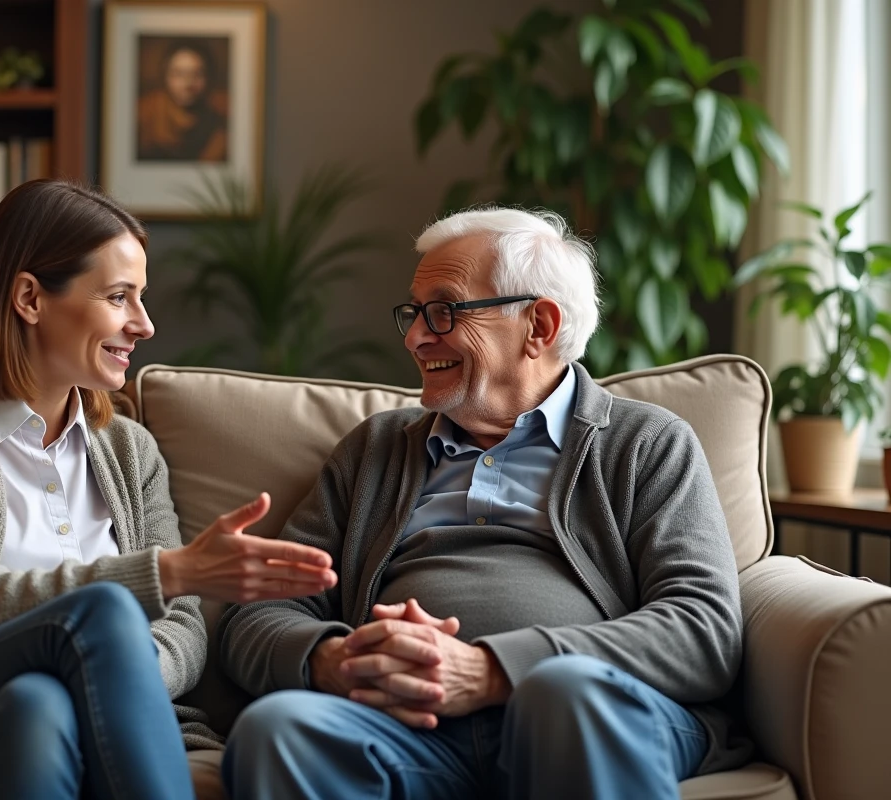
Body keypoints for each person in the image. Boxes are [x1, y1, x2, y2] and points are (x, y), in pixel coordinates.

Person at [0, 179, 337, 800]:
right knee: (102, 613)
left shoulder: (130, 450)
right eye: (119, 297)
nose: (144, 325)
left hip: (46, 707)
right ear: (29, 298)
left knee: (35, 707)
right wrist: (163, 578)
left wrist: (109, 671)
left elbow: (183, 628)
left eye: (140, 299)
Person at [219, 207, 751, 799]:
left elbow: (703, 630)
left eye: (444, 310)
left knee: (564, 694)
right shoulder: (376, 450)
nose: (416, 336)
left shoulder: (645, 442)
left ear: (539, 326)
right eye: (414, 313)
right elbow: (255, 614)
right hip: (411, 731)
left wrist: (493, 670)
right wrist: (336, 660)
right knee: (278, 730)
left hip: (581, 715)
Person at [136, 37, 228, 162]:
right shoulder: (144, 114)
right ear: (165, 77)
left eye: (197, 74)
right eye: (178, 74)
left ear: (209, 78)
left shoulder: (221, 124)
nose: (188, 84)